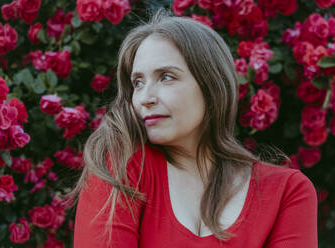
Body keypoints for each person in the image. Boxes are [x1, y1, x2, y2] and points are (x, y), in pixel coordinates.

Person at [72, 7, 318, 248]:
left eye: (166, 77)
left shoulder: (287, 192)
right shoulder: (121, 166)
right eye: (137, 82)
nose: (145, 98)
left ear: (211, 85)